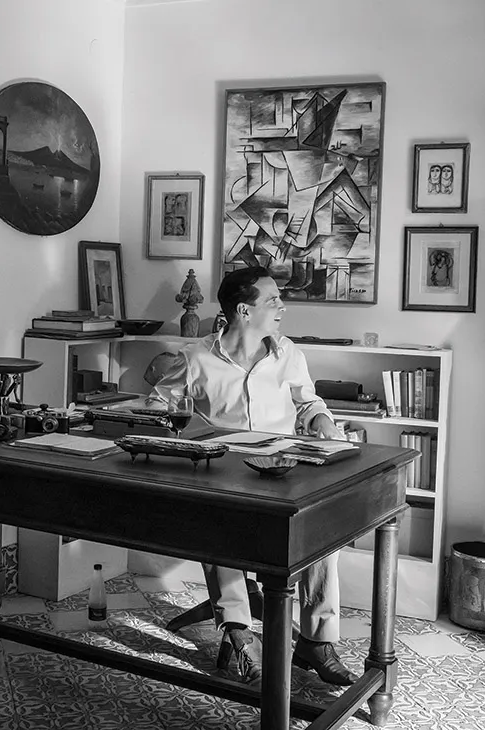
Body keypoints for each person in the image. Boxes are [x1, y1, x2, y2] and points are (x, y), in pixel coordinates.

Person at [147, 266, 358, 688]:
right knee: (218, 524)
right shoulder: (196, 357)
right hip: (222, 476)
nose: (282, 306)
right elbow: (158, 408)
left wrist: (321, 420)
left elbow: (308, 402)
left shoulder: (288, 353)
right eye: (273, 300)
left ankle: (316, 642)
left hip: (282, 472)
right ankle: (240, 634)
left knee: (322, 533)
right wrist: (187, 437)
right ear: (244, 310)